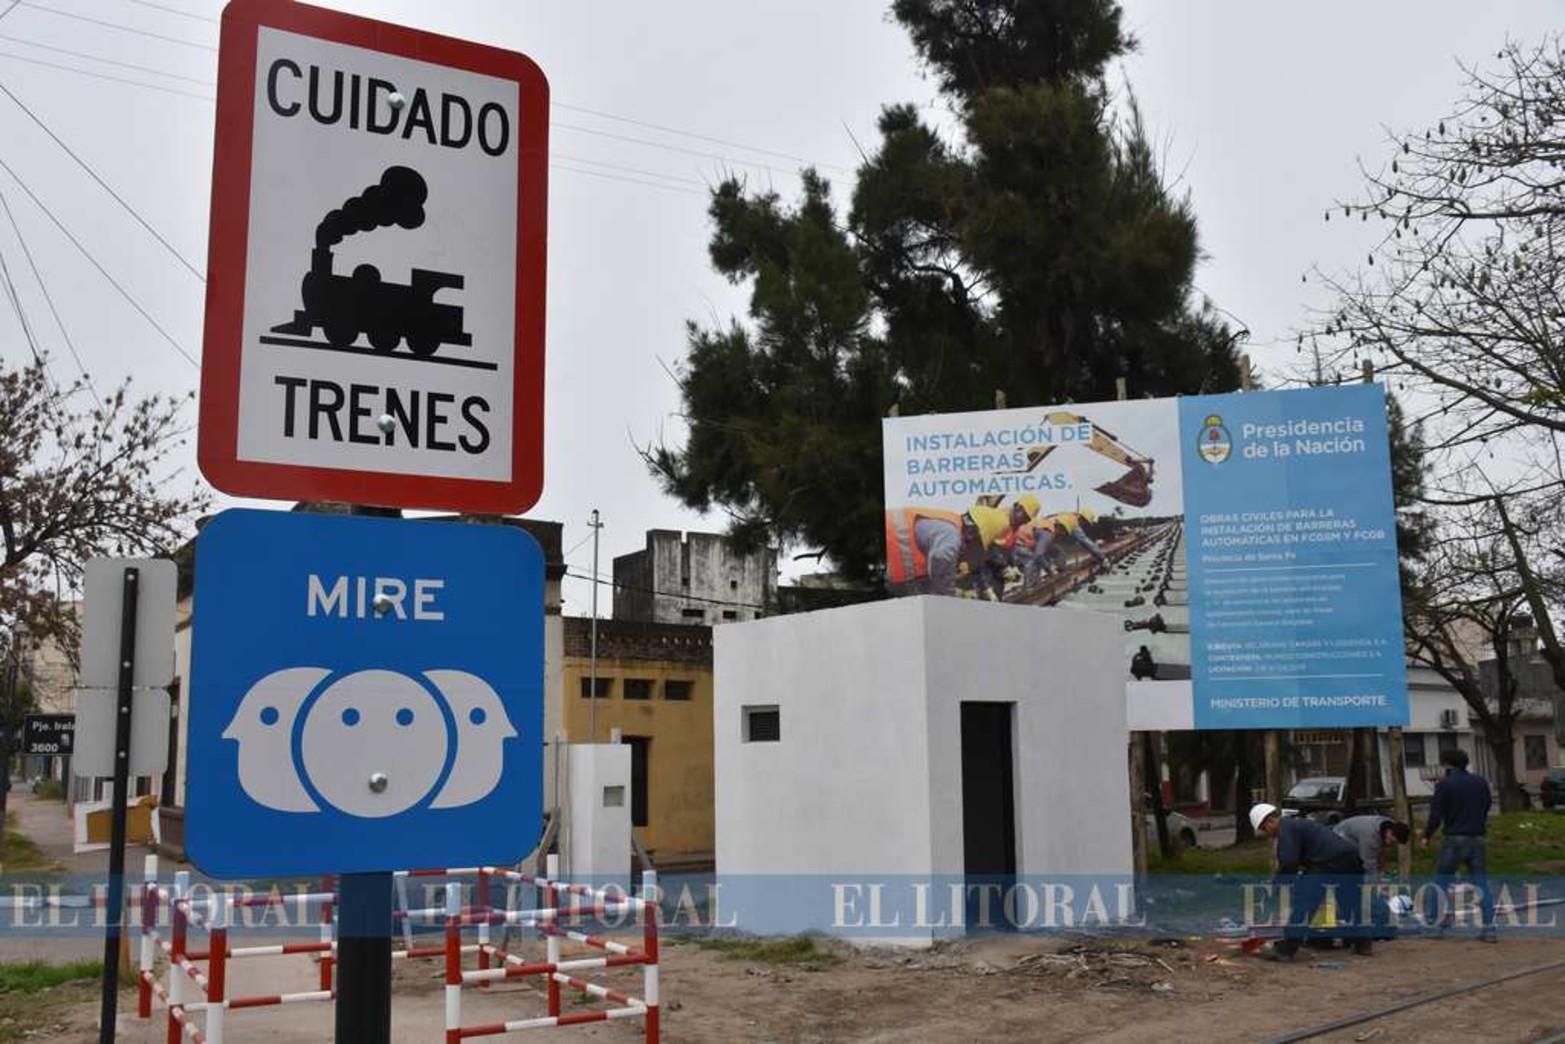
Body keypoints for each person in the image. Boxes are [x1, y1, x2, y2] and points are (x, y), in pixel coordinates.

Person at [1250, 802, 1372, 958]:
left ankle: (1286, 949)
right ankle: (1363, 944)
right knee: (1351, 902)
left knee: (1304, 903)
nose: (1266, 833)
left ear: (1270, 821)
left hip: (1327, 863)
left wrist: (1277, 887)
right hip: (1350, 859)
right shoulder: (1296, 825)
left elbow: (1289, 862)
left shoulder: (1286, 829)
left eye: (1263, 829)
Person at [885, 496, 1039, 599]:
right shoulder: (951, 535)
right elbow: (942, 557)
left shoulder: (955, 528)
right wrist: (948, 598)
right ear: (974, 535)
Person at [1421, 748, 1496, 942]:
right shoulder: (1480, 782)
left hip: (1454, 839)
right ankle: (1489, 930)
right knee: (1481, 884)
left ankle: (1435, 927)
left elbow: (1436, 814)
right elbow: (1487, 804)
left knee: (1440, 882)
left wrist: (1426, 835)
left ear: (1447, 764)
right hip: (1477, 837)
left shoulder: (1445, 785)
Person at [1015, 508, 1105, 587]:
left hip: (1031, 537)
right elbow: (1084, 541)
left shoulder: (1062, 515)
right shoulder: (1072, 522)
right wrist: (1100, 556)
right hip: (1019, 541)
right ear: (1082, 518)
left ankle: (1058, 574)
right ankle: (1030, 588)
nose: (1063, 535)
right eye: (1084, 523)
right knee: (1033, 561)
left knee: (1056, 552)